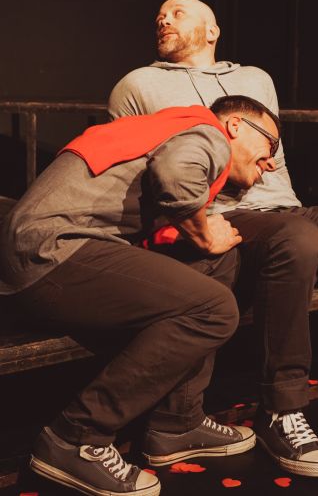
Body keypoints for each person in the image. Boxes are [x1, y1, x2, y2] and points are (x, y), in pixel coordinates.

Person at [108, 0, 318, 479]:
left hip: (286, 211)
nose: (163, 18)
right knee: (297, 237)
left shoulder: (255, 79)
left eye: (177, 12)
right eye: (159, 14)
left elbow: (271, 164)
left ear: (212, 29)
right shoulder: (137, 85)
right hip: (219, 218)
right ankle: (282, 409)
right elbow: (134, 171)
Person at [0, 95, 281, 496]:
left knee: (216, 263)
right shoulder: (208, 133)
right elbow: (176, 173)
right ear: (235, 126)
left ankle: (178, 423)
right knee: (215, 310)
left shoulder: (169, 128)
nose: (272, 163)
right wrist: (204, 234)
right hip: (51, 251)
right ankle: (76, 438)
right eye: (271, 145)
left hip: (48, 251)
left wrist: (206, 244)